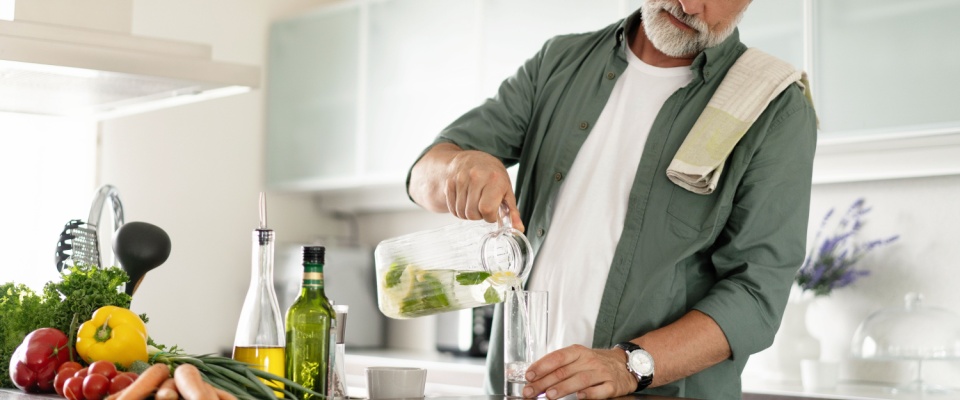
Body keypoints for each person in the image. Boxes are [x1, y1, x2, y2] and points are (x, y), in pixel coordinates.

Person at [406, 0, 817, 399]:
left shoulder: (773, 108)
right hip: (519, 390)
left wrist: (628, 365)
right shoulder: (559, 61)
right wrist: (458, 168)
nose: (690, 6)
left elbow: (755, 294)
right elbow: (424, 174)